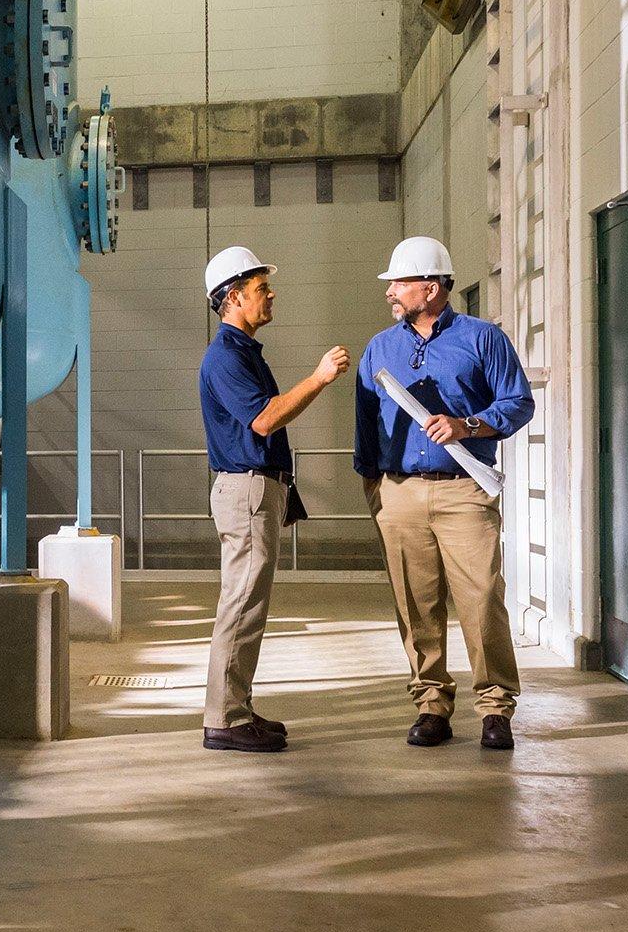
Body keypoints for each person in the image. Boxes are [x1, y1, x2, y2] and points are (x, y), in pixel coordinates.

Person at [353, 236, 535, 750]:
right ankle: (431, 703)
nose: (390, 291)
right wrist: (375, 487)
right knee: (415, 604)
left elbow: (518, 404)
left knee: (481, 600)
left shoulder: (483, 339)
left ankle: (496, 707)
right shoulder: (380, 348)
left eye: (399, 282)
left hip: (464, 491)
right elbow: (366, 424)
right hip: (399, 492)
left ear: (430, 288)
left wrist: (468, 425)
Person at [198, 246, 350, 754]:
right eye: (262, 288)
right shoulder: (225, 357)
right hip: (246, 489)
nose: (271, 294)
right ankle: (223, 719)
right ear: (234, 297)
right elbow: (264, 419)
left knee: (248, 605)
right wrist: (319, 378)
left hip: (256, 489)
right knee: (241, 605)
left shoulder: (242, 353)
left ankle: (235, 708)